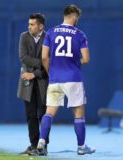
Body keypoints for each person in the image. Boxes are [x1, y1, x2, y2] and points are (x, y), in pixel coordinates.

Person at [37, 4, 96, 155]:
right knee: (79, 112)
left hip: (55, 78)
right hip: (73, 78)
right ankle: (82, 147)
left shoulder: (51, 32)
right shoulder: (80, 34)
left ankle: (41, 141)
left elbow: (44, 57)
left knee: (49, 112)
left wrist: (52, 72)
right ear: (74, 16)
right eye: (78, 17)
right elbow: (86, 59)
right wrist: (74, 62)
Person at [17, 13, 48, 155]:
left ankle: (43, 146)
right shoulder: (24, 36)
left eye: (32, 24)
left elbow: (51, 62)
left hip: (43, 81)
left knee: (43, 115)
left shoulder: (49, 37)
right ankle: (33, 145)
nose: (29, 27)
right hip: (27, 82)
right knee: (30, 116)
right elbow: (23, 57)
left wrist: (34, 73)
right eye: (29, 24)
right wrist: (42, 63)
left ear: (40, 26)